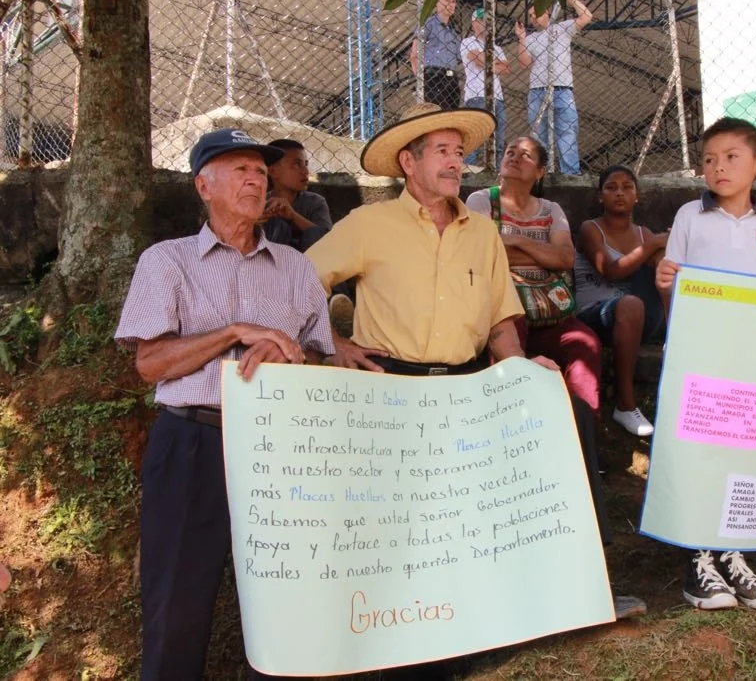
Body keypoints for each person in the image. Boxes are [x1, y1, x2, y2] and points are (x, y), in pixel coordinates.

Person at [304, 104, 645, 620]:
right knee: (403, 522)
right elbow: (302, 280)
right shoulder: (369, 224)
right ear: (408, 161)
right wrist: (334, 344)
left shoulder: (481, 231)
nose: (455, 163)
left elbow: (501, 322)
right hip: (392, 388)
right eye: (441, 151)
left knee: (564, 414)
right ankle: (402, 616)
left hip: (466, 386)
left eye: (458, 152)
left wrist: (523, 370)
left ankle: (583, 583)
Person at [115, 128, 336, 680]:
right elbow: (151, 363)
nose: (256, 178)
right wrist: (235, 330)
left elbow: (319, 350)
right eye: (240, 168)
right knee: (176, 608)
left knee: (290, 600)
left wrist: (289, 353)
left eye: (262, 170)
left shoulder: (294, 267)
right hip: (193, 440)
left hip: (282, 444)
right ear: (203, 185)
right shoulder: (167, 262)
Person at [654, 118, 756, 609]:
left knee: (739, 456)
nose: (718, 167)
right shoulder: (690, 215)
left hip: (748, 358)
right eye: (709, 159)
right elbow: (672, 287)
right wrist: (666, 284)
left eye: (731, 157)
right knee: (700, 454)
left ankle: (734, 554)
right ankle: (698, 562)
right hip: (698, 355)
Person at [465, 136, 603, 423]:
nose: (514, 157)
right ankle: (510, 432)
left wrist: (517, 240)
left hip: (550, 312)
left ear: (540, 171)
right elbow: (482, 258)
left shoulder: (551, 209)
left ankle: (582, 432)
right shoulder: (481, 202)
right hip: (505, 311)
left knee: (585, 343)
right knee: (507, 326)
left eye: (525, 155)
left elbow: (565, 258)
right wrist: (542, 254)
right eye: (510, 151)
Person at [574, 164, 666, 436]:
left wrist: (661, 250)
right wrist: (652, 246)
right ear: (600, 196)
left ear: (637, 196)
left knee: (664, 270)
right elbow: (611, 271)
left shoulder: (644, 233)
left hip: (637, 319)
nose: (619, 193)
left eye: (627, 187)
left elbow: (663, 277)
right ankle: (626, 405)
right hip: (594, 316)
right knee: (631, 304)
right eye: (611, 187)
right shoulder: (590, 229)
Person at [262, 138, 355, 336]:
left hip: (312, 271)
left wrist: (293, 216)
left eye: (305, 164)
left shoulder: (314, 201)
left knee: (315, 232)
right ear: (273, 171)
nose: (304, 171)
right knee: (278, 225)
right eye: (296, 164)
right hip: (278, 275)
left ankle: (336, 305)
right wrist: (259, 220)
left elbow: (329, 241)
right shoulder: (260, 202)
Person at [516, 0, 591, 174]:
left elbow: (586, 16)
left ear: (547, 12)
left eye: (537, 14)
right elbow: (524, 63)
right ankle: (541, 173)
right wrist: (521, 39)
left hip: (562, 88)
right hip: (537, 90)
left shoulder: (562, 28)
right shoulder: (531, 38)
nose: (533, 18)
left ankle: (570, 174)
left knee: (567, 134)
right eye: (531, 16)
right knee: (538, 136)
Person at [461, 7, 509, 167]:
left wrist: (487, 62)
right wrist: (495, 63)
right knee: (474, 139)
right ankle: (470, 172)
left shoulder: (497, 47)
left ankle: (496, 172)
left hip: (498, 98)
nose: (485, 24)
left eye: (488, 21)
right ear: (474, 23)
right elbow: (478, 60)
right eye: (481, 20)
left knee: (499, 141)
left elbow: (506, 69)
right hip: (476, 96)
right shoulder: (467, 42)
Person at [410, 0, 461, 110]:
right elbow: (414, 54)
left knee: (451, 114)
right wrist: (420, 80)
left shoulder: (454, 32)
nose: (451, 5)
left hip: (451, 78)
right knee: (437, 111)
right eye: (447, 0)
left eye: (453, 1)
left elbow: (462, 57)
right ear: (437, 3)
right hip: (433, 75)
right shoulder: (427, 23)